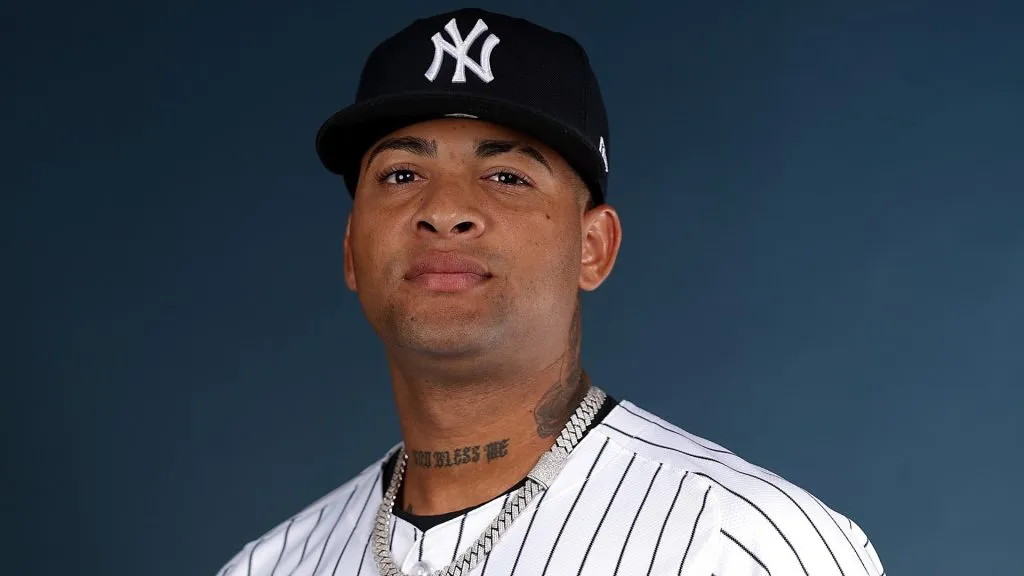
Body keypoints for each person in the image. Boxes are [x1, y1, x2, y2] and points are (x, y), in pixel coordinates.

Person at [215, 8, 885, 576]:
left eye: (506, 176)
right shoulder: (268, 566)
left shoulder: (745, 544)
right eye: (400, 174)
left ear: (594, 248)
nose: (445, 211)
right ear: (351, 252)